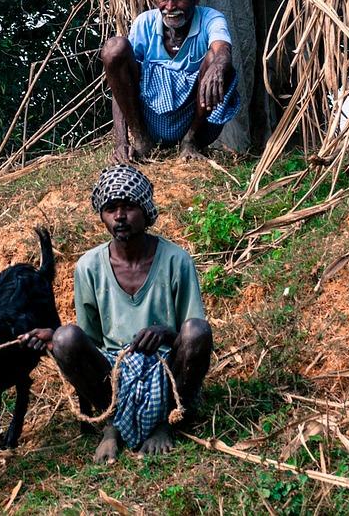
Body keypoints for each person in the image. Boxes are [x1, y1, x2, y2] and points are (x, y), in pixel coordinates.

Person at [20, 164, 212, 462]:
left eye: (129, 207)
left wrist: (164, 333)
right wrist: (54, 338)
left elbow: (189, 337)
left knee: (197, 331)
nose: (119, 216)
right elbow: (91, 342)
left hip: (165, 366)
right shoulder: (89, 267)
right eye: (111, 209)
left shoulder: (176, 260)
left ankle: (166, 422)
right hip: (114, 370)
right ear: (102, 216)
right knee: (66, 337)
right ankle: (111, 425)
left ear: (145, 211)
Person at [101, 0, 239, 162]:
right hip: (150, 120)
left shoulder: (211, 19)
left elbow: (222, 49)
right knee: (114, 49)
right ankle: (142, 141)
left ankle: (190, 142)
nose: (170, 6)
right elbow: (121, 83)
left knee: (218, 61)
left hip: (195, 122)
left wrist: (218, 66)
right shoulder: (144, 23)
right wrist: (121, 142)